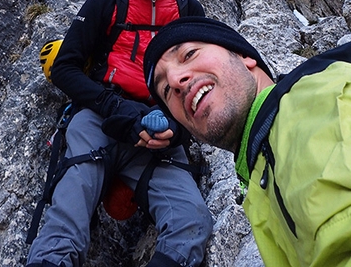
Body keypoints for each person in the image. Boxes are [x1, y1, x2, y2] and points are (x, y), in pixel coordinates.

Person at [27, 0, 213, 267]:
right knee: (66, 215)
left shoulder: (189, 12)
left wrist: (176, 130)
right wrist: (113, 106)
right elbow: (65, 68)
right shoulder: (106, 1)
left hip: (157, 133)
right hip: (98, 119)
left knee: (192, 221)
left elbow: (202, 84)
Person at [143, 15, 351, 267]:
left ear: (244, 56)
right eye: (165, 90)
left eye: (189, 54)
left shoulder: (320, 94)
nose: (176, 81)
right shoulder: (260, 179)